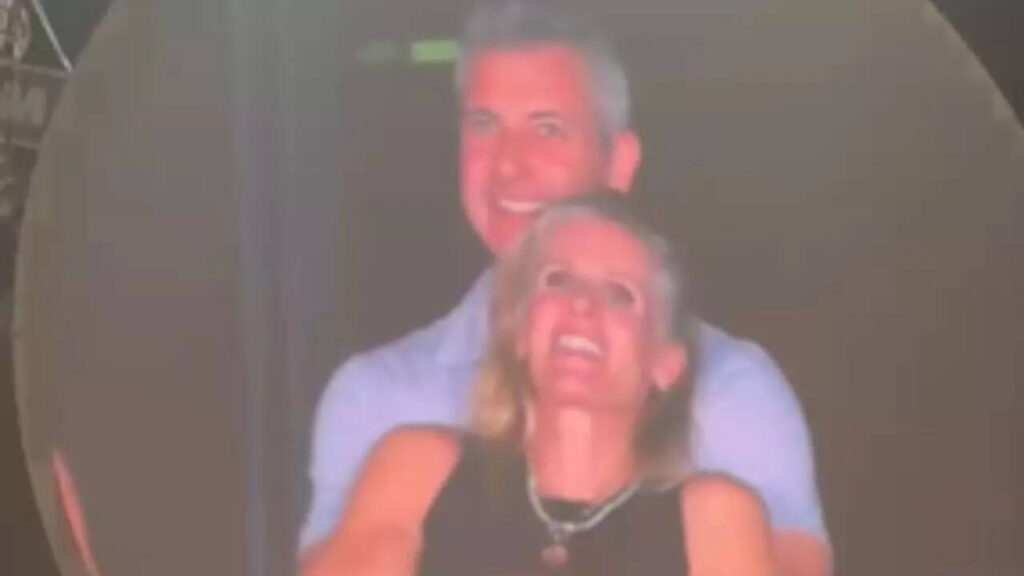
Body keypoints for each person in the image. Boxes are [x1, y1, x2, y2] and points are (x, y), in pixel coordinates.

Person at [300, 2, 830, 574]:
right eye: (485, 124)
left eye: (547, 128)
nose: (508, 166)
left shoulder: (732, 391)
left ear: (619, 162)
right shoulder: (380, 400)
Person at [303, 193, 776, 576]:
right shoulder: (419, 468)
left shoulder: (713, 516)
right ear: (521, 332)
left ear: (665, 363)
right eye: (558, 280)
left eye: (619, 294)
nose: (581, 304)